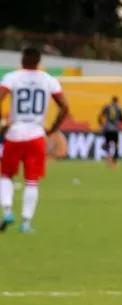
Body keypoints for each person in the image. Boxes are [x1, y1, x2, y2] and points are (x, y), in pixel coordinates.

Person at [0, 48, 70, 233]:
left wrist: (2, 122)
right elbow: (65, 107)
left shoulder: (12, 77)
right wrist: (51, 130)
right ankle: (26, 223)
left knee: (6, 175)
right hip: (37, 135)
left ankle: (7, 210)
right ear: (39, 61)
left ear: (22, 59)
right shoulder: (48, 80)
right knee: (32, 181)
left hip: (14, 133)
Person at [98, 95, 122, 167]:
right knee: (116, 144)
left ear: (112, 100)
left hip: (107, 128)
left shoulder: (107, 107)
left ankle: (109, 156)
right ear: (117, 101)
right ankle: (114, 161)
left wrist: (101, 124)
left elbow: (100, 116)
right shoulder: (119, 108)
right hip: (115, 129)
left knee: (107, 143)